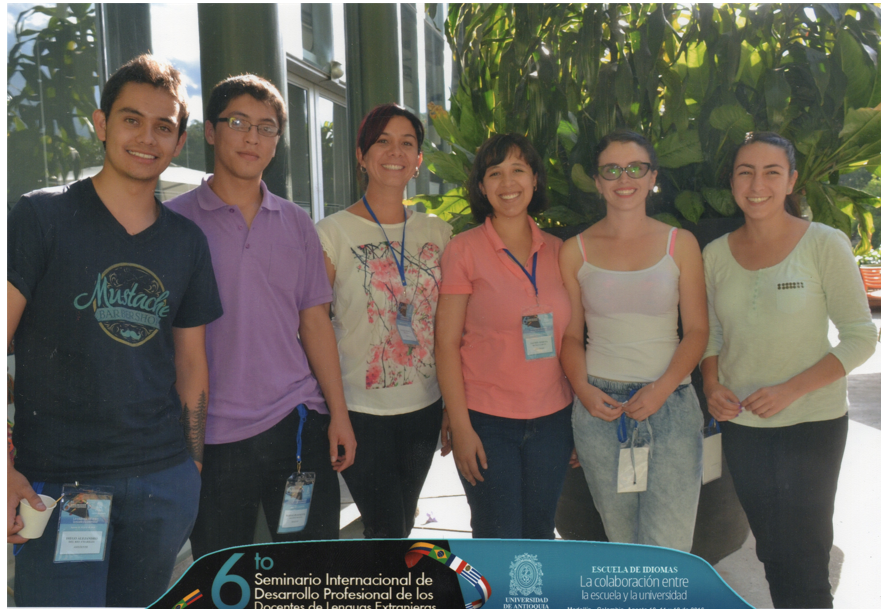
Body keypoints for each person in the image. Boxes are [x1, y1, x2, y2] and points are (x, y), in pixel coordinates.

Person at [7, 55, 223, 607]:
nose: (146, 137)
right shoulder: (39, 217)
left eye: (163, 126)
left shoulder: (186, 242)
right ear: (101, 125)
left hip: (161, 482)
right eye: (131, 119)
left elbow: (192, 363)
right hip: (58, 484)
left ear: (179, 142)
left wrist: (190, 468)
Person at [166, 74, 356, 556]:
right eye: (238, 122)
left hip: (295, 425)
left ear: (277, 141)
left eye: (267, 128)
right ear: (210, 131)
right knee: (219, 577)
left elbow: (315, 325)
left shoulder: (295, 221)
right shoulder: (173, 223)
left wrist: (338, 414)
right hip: (212, 439)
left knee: (311, 576)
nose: (252, 137)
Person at [701, 132, 876, 608]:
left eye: (771, 171)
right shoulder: (714, 255)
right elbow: (712, 336)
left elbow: (862, 336)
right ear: (732, 181)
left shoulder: (823, 243)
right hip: (744, 426)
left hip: (811, 424)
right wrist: (712, 383)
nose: (757, 184)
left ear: (792, 180)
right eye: (745, 171)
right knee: (772, 551)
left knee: (806, 552)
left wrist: (789, 390)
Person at [559, 131, 707, 551]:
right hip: (602, 411)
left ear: (652, 176)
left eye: (635, 167)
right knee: (623, 545)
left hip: (671, 404)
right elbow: (571, 335)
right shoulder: (575, 250)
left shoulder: (681, 244)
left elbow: (696, 331)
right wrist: (583, 390)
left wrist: (661, 389)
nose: (624, 178)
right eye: (611, 169)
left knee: (669, 550)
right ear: (597, 180)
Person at [316, 104, 451, 538]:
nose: (395, 152)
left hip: (425, 408)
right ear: (361, 154)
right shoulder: (332, 233)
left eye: (407, 143)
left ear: (418, 160)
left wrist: (451, 405)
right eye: (382, 141)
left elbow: (452, 328)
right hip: (360, 410)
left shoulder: (438, 233)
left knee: (403, 520)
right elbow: (314, 323)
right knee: (387, 526)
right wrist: (335, 413)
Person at [436, 133, 573, 539]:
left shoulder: (562, 250)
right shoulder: (463, 250)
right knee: (498, 537)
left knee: (540, 534)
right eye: (495, 173)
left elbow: (574, 340)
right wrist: (461, 428)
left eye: (518, 170)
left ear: (535, 180)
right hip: (487, 422)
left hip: (552, 421)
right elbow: (445, 344)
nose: (507, 183)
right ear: (481, 186)